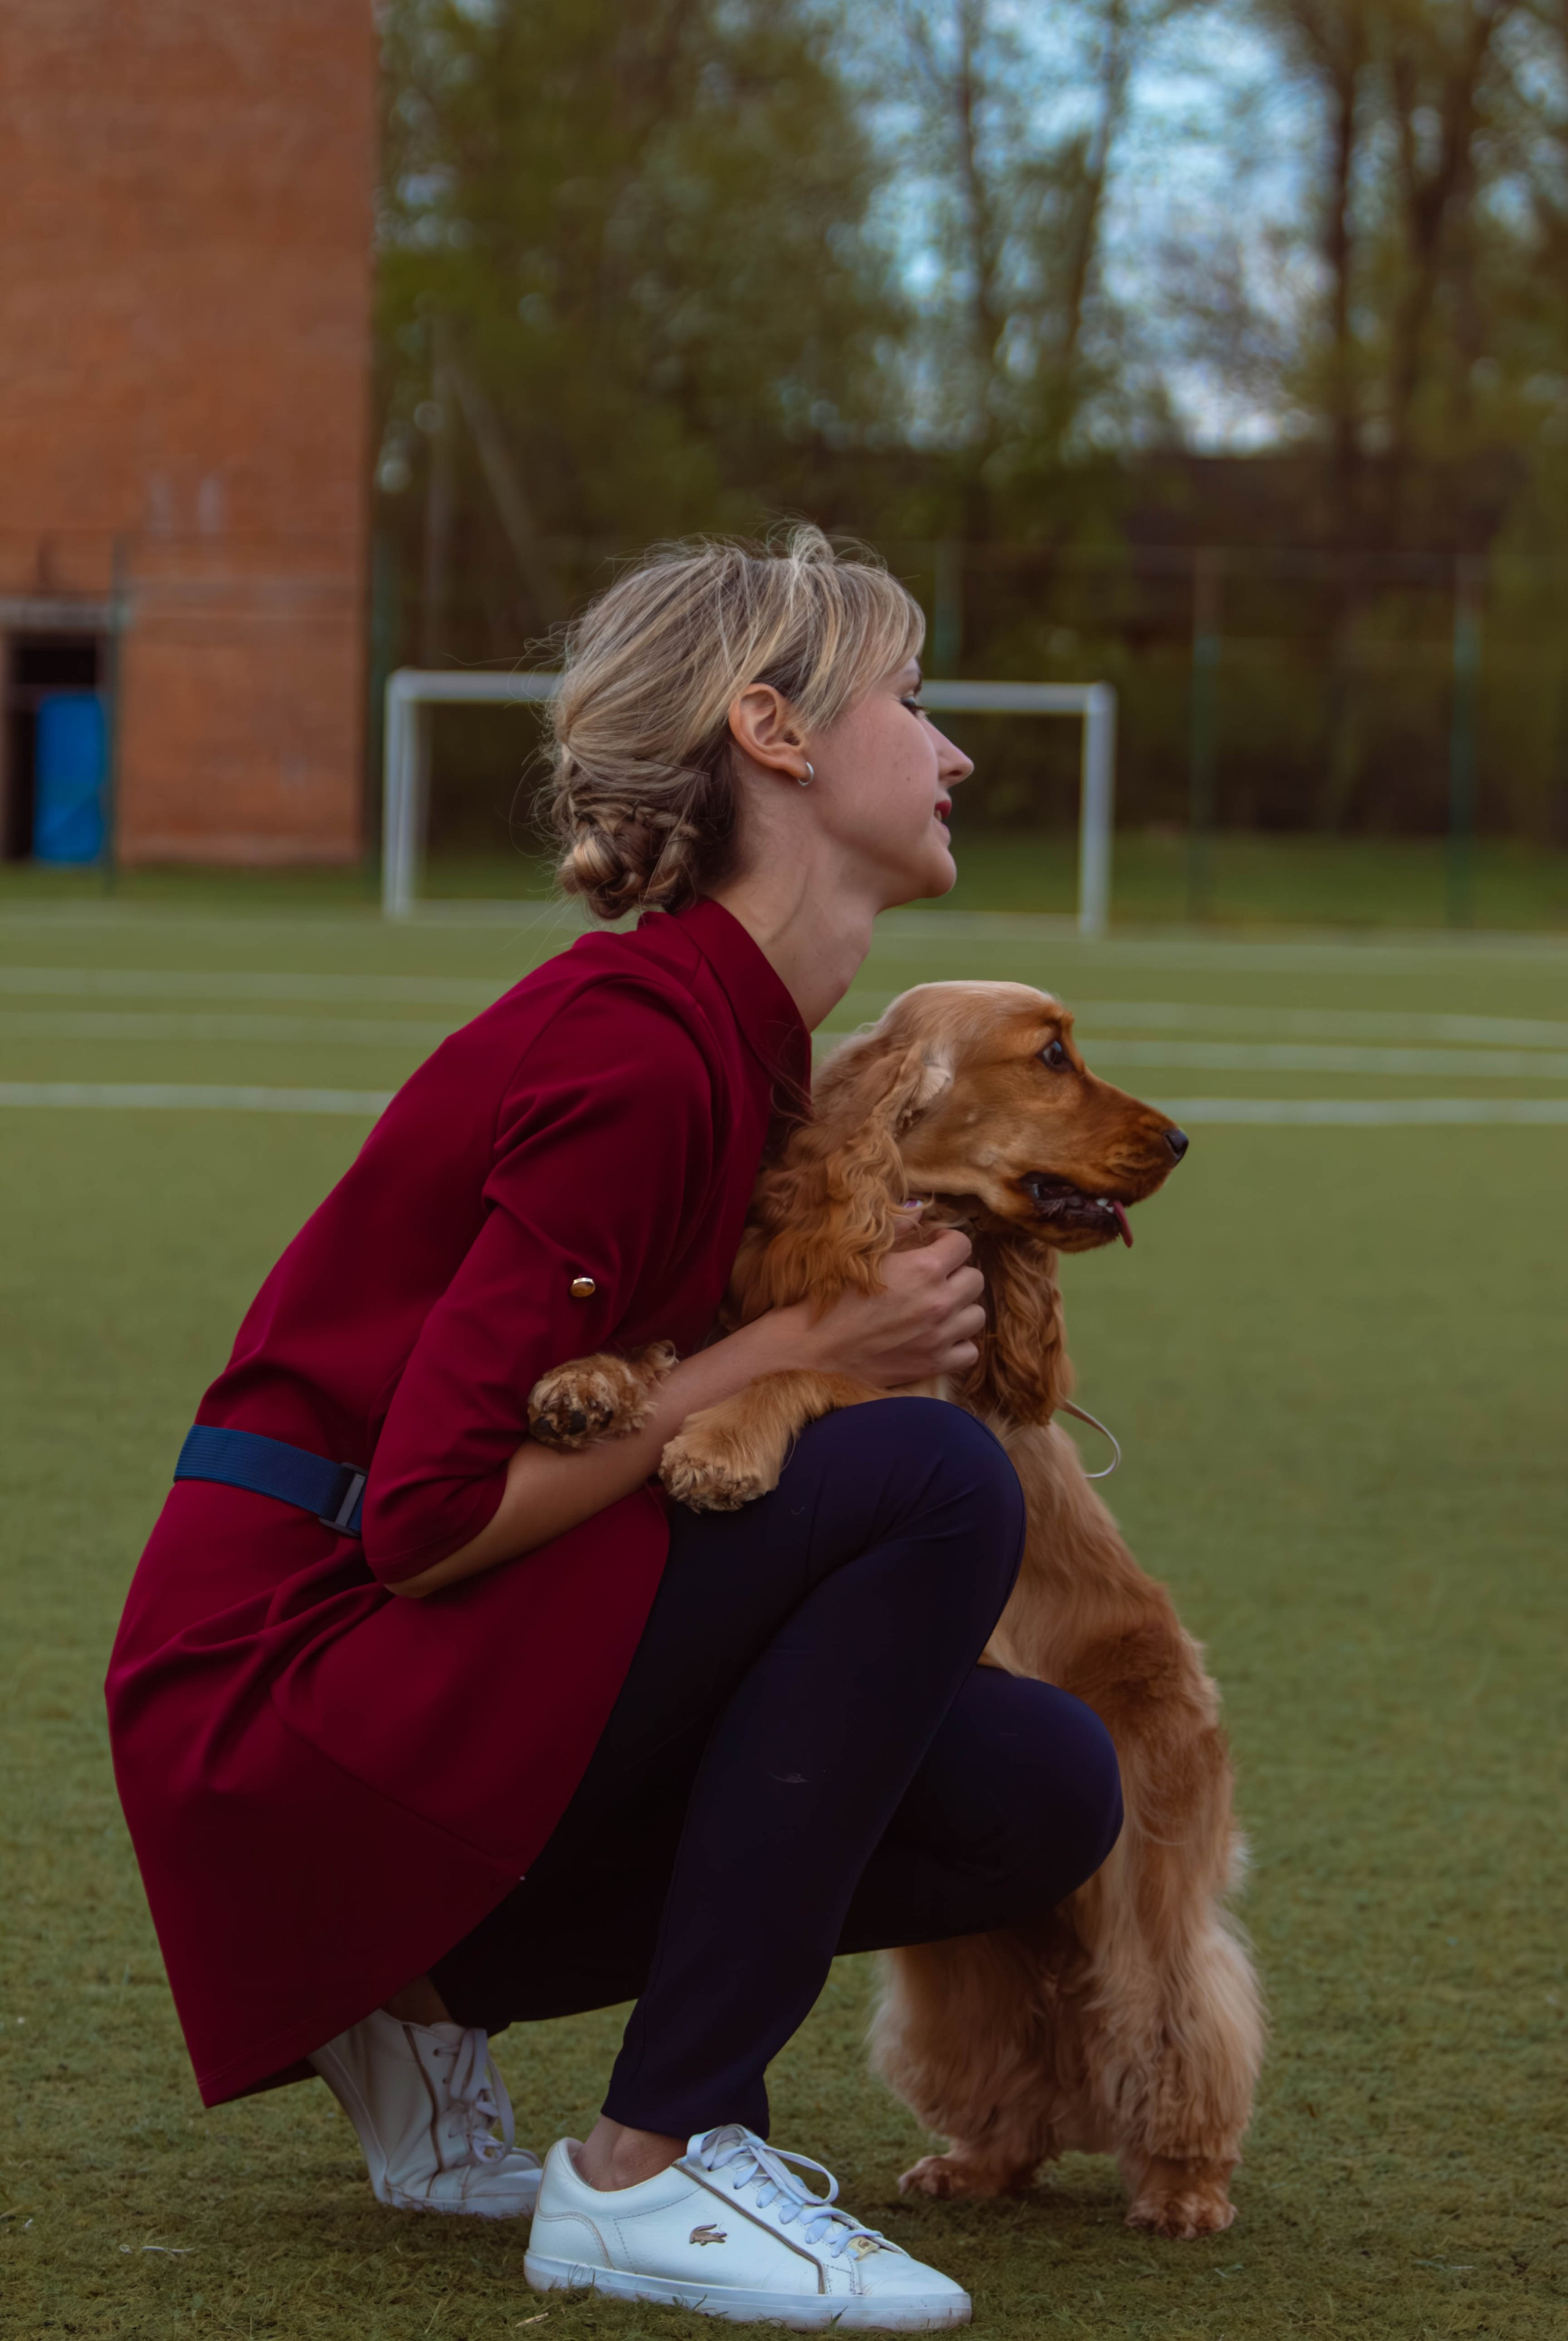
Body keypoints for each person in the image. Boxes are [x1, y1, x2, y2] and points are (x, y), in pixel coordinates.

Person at [106, 528, 1123, 2331]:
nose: (953, 749)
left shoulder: (741, 1045)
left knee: (1037, 1792)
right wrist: (820, 1347)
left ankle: (420, 2003)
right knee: (922, 1480)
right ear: (775, 733)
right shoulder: (643, 1050)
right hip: (279, 1703)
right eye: (912, 699)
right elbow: (425, 1515)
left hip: (372, 1692)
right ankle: (655, 2163)